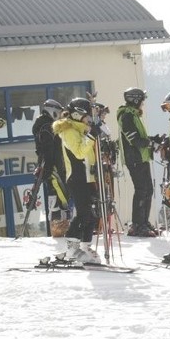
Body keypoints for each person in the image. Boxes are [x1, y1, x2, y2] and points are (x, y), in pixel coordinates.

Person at [45, 97, 101, 264]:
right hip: (77, 178)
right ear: (77, 114)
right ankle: (71, 247)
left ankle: (84, 246)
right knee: (83, 213)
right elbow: (79, 153)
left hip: (88, 177)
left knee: (92, 214)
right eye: (86, 115)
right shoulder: (68, 130)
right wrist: (91, 136)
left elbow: (90, 153)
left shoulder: (82, 129)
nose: (89, 119)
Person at [118, 87, 161, 237]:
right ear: (135, 100)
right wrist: (150, 144)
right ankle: (137, 224)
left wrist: (153, 139)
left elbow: (139, 136)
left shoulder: (133, 115)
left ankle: (143, 222)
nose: (143, 103)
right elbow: (134, 139)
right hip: (134, 158)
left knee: (148, 189)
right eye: (142, 100)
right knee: (141, 190)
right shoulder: (126, 116)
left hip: (141, 157)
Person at [31, 98, 68, 235]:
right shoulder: (47, 126)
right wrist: (48, 167)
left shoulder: (43, 124)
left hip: (51, 165)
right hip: (53, 166)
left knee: (56, 195)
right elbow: (47, 149)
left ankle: (59, 227)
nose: (59, 116)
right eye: (58, 113)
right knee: (60, 195)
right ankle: (59, 227)